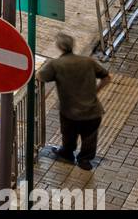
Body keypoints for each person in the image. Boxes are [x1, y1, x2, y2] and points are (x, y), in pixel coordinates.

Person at [38, 31, 110, 169]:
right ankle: (85, 160)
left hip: (70, 110)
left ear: (59, 47)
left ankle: (67, 153)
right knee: (90, 136)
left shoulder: (56, 64)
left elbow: (41, 76)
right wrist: (96, 91)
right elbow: (106, 77)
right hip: (92, 110)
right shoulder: (88, 61)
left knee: (68, 133)